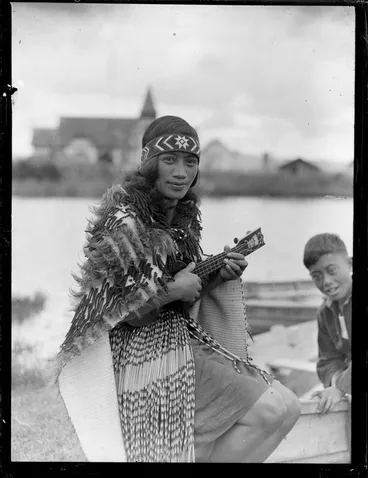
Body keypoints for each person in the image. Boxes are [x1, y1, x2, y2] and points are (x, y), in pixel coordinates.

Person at [57, 115, 300, 463]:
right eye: (169, 160)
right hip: (132, 352)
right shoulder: (124, 218)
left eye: (190, 162)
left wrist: (217, 276)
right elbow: (116, 313)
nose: (181, 172)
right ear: (149, 163)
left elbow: (181, 289)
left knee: (289, 407)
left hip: (174, 336)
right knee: (272, 410)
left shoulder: (181, 216)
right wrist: (173, 291)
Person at [303, 233, 352, 414]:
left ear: (350, 264)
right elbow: (327, 359)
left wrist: (340, 388)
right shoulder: (324, 313)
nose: (326, 282)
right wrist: (335, 382)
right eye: (317, 276)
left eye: (331, 271)